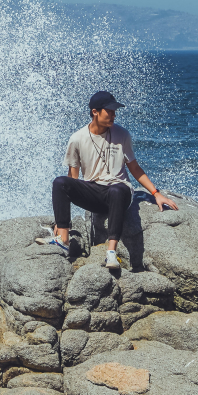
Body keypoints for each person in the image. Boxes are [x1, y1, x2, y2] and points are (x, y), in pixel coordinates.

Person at [41, 90, 176, 271]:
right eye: (109, 111)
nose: (113, 115)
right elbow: (73, 178)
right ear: (95, 112)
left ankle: (111, 252)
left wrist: (156, 193)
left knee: (116, 189)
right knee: (60, 182)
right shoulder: (77, 139)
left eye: (114, 111)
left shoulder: (122, 135)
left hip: (120, 191)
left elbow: (134, 168)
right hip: (94, 192)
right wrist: (60, 222)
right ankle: (63, 239)